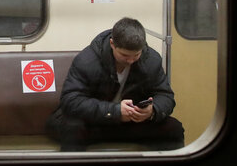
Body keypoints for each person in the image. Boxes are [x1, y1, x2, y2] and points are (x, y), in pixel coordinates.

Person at [46, 17, 184, 151]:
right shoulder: (87, 60)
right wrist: (114, 111)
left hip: (130, 123)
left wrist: (153, 110)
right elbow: (70, 101)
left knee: (173, 128)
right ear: (112, 44)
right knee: (73, 127)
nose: (131, 60)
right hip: (93, 122)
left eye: (136, 55)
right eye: (124, 55)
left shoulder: (151, 60)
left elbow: (165, 96)